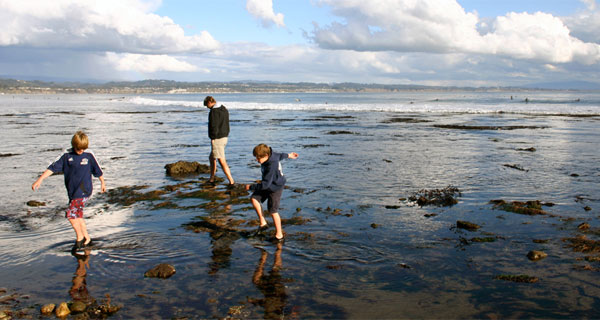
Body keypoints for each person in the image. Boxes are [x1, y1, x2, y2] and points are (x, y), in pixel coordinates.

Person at [32, 131, 106, 251]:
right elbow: (52, 168)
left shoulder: (88, 155)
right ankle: (87, 239)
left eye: (83, 149)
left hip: (84, 190)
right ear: (74, 145)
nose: (81, 151)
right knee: (77, 215)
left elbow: (97, 170)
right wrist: (40, 179)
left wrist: (103, 182)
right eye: (78, 149)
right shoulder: (67, 155)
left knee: (70, 215)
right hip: (72, 190)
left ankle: (79, 238)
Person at [245, 144, 298, 242]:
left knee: (273, 211)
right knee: (254, 199)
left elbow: (265, 185)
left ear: (266, 155)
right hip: (268, 183)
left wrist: (251, 187)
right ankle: (263, 223)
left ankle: (279, 235)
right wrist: (289, 155)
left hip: (275, 187)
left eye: (258, 158)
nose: (257, 160)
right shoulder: (272, 154)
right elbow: (281, 155)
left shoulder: (271, 166)